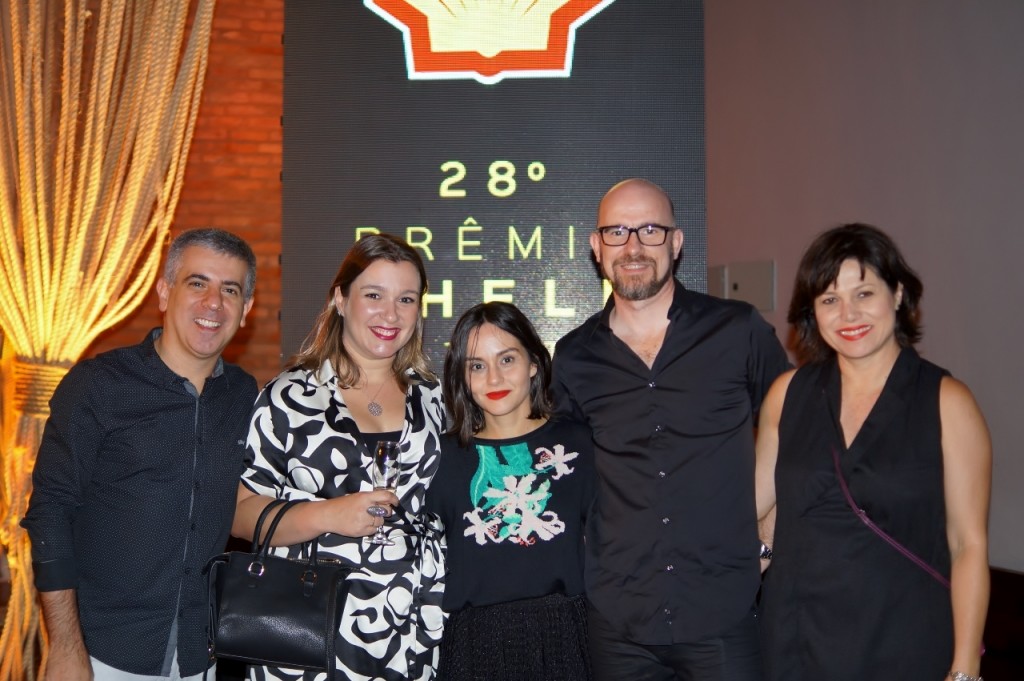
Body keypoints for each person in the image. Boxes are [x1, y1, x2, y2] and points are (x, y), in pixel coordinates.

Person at [551, 178, 790, 681]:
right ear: (596, 247)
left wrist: (766, 539)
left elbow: (795, 433)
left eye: (650, 230)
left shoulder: (738, 330)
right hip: (618, 619)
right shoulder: (573, 356)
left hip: (723, 611)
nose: (633, 246)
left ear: (676, 243)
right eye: (616, 231)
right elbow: (568, 475)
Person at [755, 223, 991, 681]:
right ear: (813, 313)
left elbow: (968, 547)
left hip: (903, 641)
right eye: (829, 300)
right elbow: (756, 511)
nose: (848, 314)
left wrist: (965, 668)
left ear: (898, 294)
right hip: (794, 641)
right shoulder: (787, 395)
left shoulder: (947, 402)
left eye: (863, 293)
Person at [22, 228, 258, 681]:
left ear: (245, 310)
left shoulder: (244, 396)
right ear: (165, 292)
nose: (214, 303)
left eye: (230, 290)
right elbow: (50, 512)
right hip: (103, 655)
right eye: (197, 283)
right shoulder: (99, 386)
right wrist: (65, 647)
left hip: (200, 657)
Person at [233, 233, 446, 681]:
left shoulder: (435, 400)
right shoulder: (289, 397)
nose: (391, 314)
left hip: (415, 634)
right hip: (309, 636)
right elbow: (240, 513)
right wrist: (330, 514)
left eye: (406, 299)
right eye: (374, 295)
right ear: (340, 300)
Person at [427, 302, 595, 681]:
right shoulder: (441, 458)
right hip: (473, 644)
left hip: (567, 636)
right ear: (461, 376)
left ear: (534, 363)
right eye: (477, 366)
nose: (493, 379)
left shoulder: (579, 444)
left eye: (507, 360)